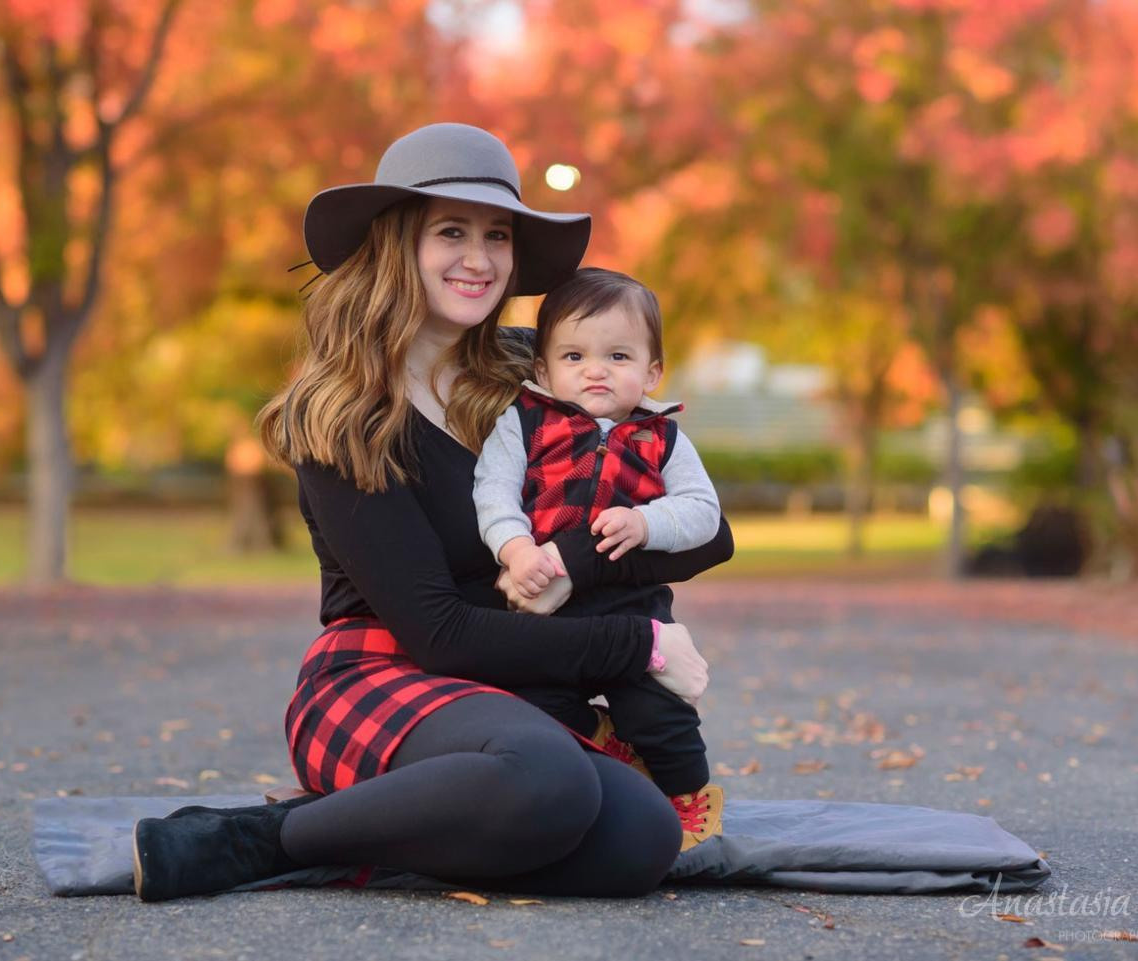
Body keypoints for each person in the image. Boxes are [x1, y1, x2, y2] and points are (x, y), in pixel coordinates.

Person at [129, 123, 734, 902]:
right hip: (375, 678)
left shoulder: (539, 370)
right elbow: (438, 633)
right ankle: (256, 838)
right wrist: (637, 642)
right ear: (397, 244)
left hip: (507, 684)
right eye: (451, 231)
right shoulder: (344, 416)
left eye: (497, 235)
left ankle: (390, 831)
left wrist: (570, 566)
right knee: (547, 776)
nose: (478, 259)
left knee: (640, 839)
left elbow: (707, 532)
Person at [471, 266, 726, 849]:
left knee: (661, 717)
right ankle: (599, 735)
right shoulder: (524, 424)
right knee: (536, 709)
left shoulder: (661, 437)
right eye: (574, 356)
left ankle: (688, 797)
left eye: (617, 356)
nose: (595, 371)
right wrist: (514, 549)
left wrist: (646, 522)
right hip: (548, 615)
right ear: (543, 370)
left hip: (633, 609)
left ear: (651, 371)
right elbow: (493, 490)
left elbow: (704, 513)